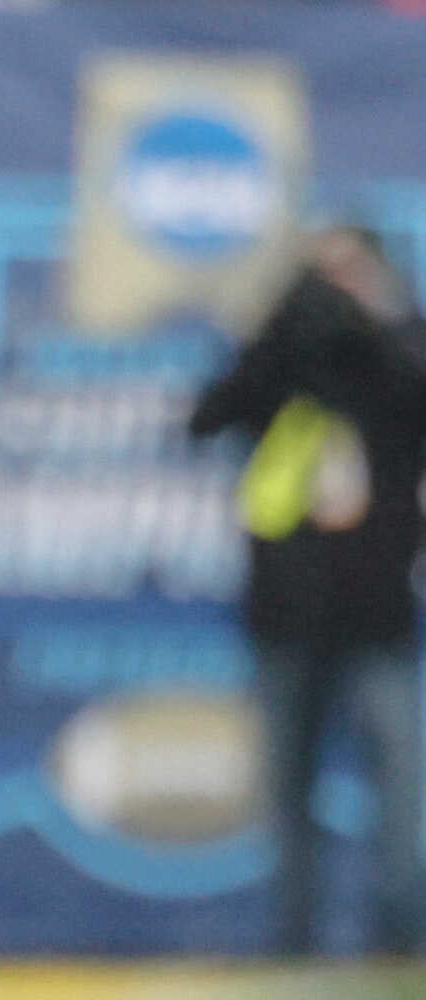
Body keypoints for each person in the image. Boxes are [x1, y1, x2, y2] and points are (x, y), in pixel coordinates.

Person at [190, 225, 426, 957]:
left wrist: (381, 320)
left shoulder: (392, 358)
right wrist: (284, 321)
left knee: (401, 785)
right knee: (288, 791)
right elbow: (209, 418)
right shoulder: (284, 359)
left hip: (378, 614)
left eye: (347, 275)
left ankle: (400, 940)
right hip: (287, 614)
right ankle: (293, 942)